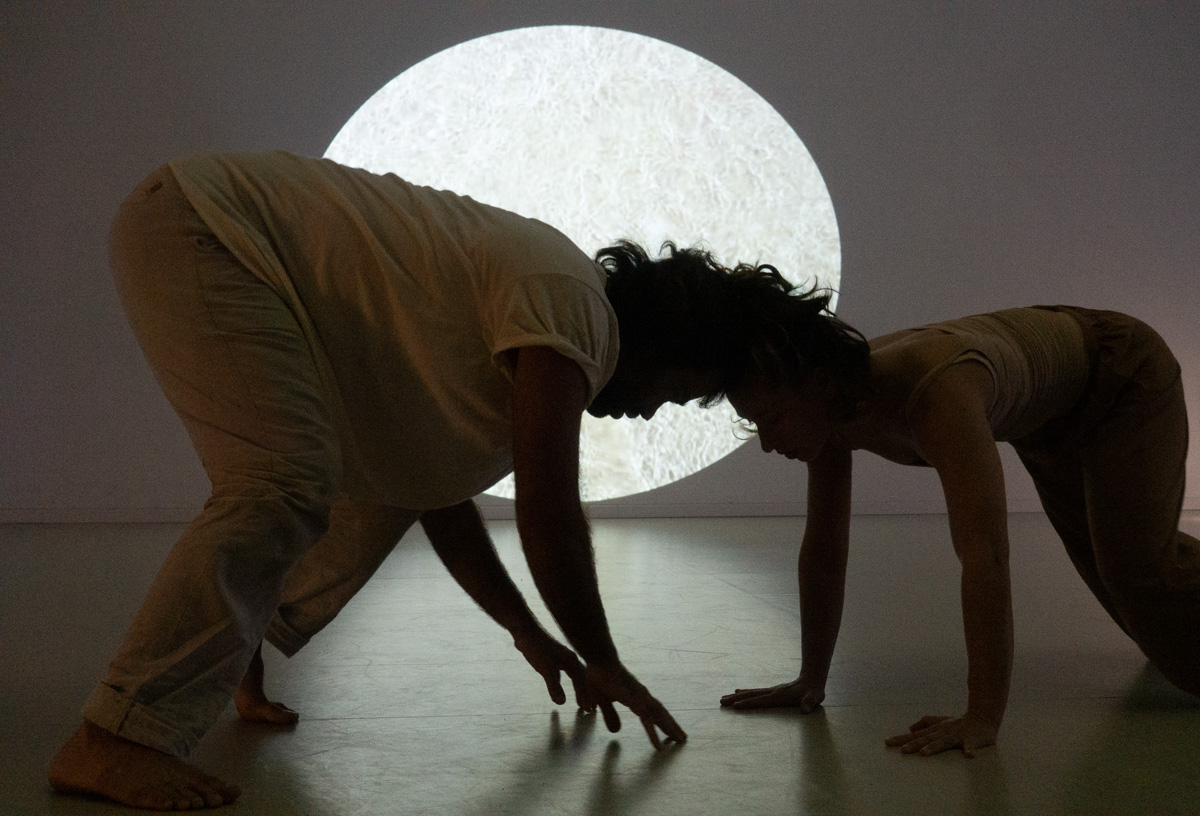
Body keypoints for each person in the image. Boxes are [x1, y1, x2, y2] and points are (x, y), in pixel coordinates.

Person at [49, 152, 735, 810]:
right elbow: (548, 509)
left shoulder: (550, 310)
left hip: (206, 226)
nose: (652, 411)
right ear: (665, 342)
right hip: (208, 227)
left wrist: (524, 630)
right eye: (674, 392)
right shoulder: (575, 309)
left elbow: (430, 492)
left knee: (369, 485)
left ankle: (231, 649)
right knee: (283, 479)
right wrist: (603, 658)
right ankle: (113, 741)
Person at [703, 265, 1199, 757]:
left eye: (770, 418)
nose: (767, 442)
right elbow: (825, 550)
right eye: (754, 424)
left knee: (1141, 582)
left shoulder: (935, 392)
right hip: (1046, 422)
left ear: (819, 383)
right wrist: (810, 679)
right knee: (1136, 594)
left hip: (1121, 375)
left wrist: (982, 715)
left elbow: (986, 556)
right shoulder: (831, 411)